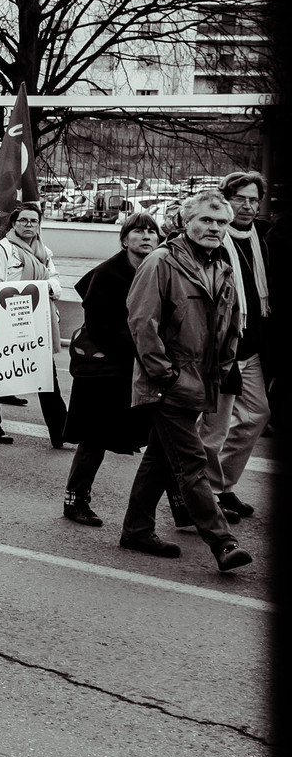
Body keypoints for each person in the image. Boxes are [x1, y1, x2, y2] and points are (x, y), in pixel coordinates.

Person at [121, 190, 252, 572]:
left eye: (221, 222)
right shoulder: (161, 261)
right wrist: (169, 377)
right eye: (207, 220)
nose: (215, 228)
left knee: (161, 459)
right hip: (171, 382)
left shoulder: (220, 265)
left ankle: (136, 528)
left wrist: (223, 368)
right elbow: (142, 324)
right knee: (192, 463)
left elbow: (227, 326)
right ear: (186, 221)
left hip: (201, 381)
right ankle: (223, 543)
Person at [60, 212, 161, 525]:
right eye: (138, 231)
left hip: (141, 366)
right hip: (105, 370)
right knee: (95, 438)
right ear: (124, 239)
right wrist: (143, 349)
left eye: (151, 232)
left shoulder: (160, 270)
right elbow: (100, 325)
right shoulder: (107, 273)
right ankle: (75, 500)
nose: (146, 236)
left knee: (164, 438)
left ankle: (183, 505)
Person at [199, 171, 274, 522]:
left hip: (252, 347)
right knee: (214, 429)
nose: (248, 206)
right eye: (241, 198)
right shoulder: (212, 239)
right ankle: (204, 495)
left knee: (257, 415)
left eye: (254, 199)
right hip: (223, 349)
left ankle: (222, 484)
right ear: (227, 199)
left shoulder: (260, 237)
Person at [0, 204, 68, 446]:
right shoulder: (2, 249)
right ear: (14, 224)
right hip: (9, 320)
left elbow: (56, 282)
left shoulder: (44, 251)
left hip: (39, 322)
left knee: (47, 377)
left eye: (33, 221)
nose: (29, 225)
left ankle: (61, 433)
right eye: (24, 220)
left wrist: (43, 288)